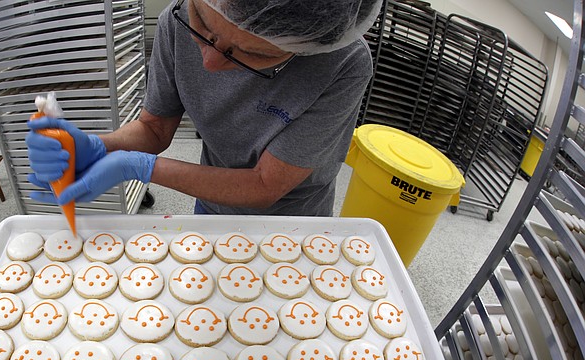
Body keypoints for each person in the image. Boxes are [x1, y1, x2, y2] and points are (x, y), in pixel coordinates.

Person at [26, 0, 381, 217]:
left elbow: (264, 185)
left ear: (305, 49)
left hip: (290, 219)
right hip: (212, 200)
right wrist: (98, 145)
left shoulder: (341, 64)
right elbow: (154, 129)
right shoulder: (176, 19)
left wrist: (139, 167)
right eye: (204, 26)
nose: (209, 62)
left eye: (255, 55)